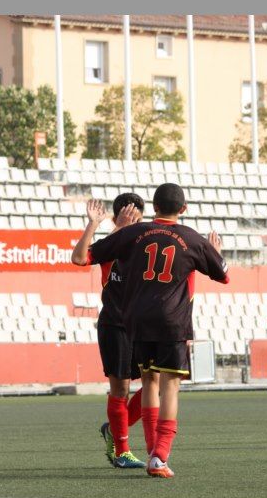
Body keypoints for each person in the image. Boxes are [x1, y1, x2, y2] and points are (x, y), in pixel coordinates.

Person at [85, 183, 229, 478]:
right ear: (184, 209)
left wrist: (106, 228)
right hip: (170, 321)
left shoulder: (135, 234)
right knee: (169, 387)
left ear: (153, 207)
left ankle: (146, 450)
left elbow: (86, 256)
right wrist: (214, 252)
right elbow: (223, 275)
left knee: (149, 383)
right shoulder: (191, 238)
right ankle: (159, 454)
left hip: (136, 321)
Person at [71, 194, 148, 469]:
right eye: (130, 218)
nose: (135, 224)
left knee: (159, 383)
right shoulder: (111, 245)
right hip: (115, 323)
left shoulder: (147, 244)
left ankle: (116, 428)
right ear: (117, 218)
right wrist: (97, 225)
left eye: (139, 219)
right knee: (121, 388)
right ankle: (121, 451)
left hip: (143, 325)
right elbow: (79, 258)